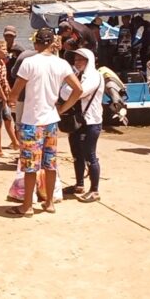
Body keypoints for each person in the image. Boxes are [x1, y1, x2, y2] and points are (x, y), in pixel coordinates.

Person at [6, 28, 82, 216]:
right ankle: (49, 203)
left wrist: (10, 100)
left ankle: (27, 205)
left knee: (30, 166)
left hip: (32, 120)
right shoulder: (61, 63)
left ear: (36, 43)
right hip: (51, 120)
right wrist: (62, 109)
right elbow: (78, 89)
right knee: (50, 163)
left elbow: (15, 92)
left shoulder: (29, 63)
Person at [60, 48, 104, 200]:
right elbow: (64, 92)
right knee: (76, 153)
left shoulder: (94, 76)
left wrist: (71, 90)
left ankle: (95, 190)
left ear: (89, 61)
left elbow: (80, 92)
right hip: (77, 120)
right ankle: (79, 184)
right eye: (76, 60)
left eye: (80, 60)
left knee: (90, 155)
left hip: (91, 121)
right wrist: (72, 90)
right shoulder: (78, 76)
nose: (77, 62)